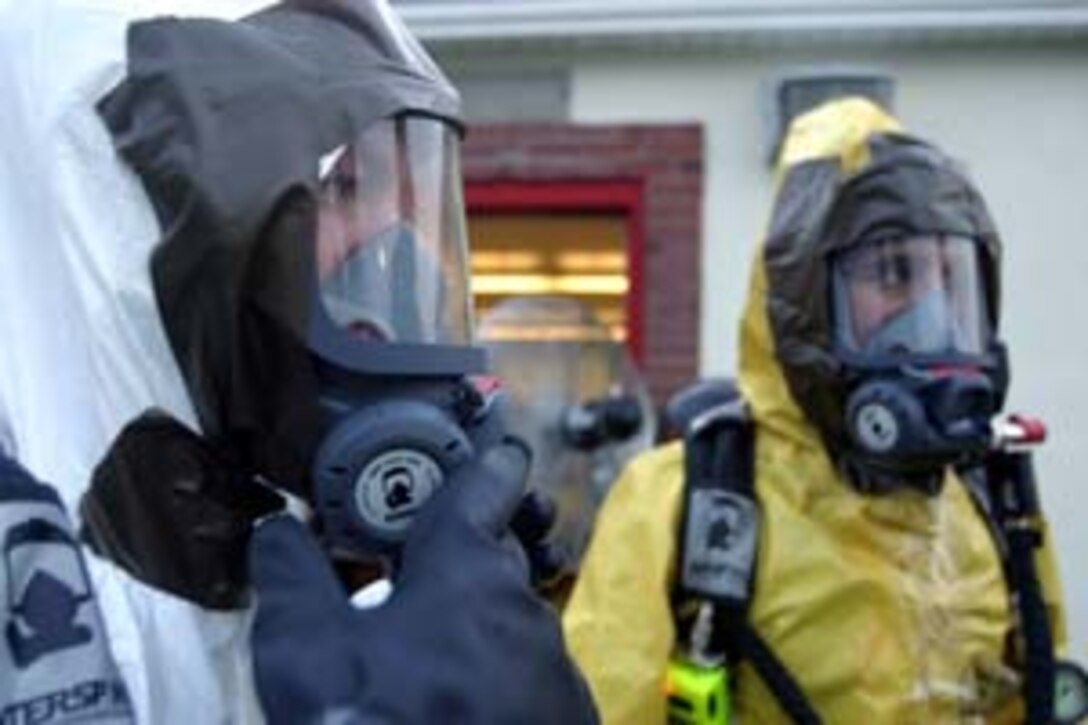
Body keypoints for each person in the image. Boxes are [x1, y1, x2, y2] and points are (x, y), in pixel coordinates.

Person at [0, 0, 597, 722]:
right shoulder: (31, 582)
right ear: (132, 209)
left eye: (398, 191)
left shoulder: (272, 517)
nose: (396, 246)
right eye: (340, 183)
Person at [562, 97, 1076, 723]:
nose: (932, 315)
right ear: (803, 299)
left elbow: (1040, 695)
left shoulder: (988, 503)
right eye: (894, 276)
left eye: (952, 281)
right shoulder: (680, 501)